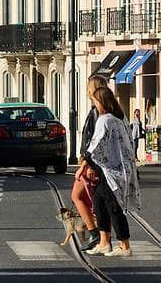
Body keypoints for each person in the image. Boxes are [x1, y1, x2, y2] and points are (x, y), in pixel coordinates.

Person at [82, 87, 139, 257]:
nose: (94, 104)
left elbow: (97, 144)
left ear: (102, 102)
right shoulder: (119, 118)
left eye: (95, 101)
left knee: (114, 207)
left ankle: (124, 245)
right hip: (119, 167)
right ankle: (104, 242)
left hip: (113, 170)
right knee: (99, 202)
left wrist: (86, 163)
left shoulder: (105, 119)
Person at [73, 76, 108, 251]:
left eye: (88, 87)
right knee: (95, 200)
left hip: (91, 163)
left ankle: (96, 234)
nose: (86, 90)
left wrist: (87, 165)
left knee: (78, 197)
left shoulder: (97, 112)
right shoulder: (96, 110)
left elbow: (95, 141)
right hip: (89, 161)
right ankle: (101, 237)